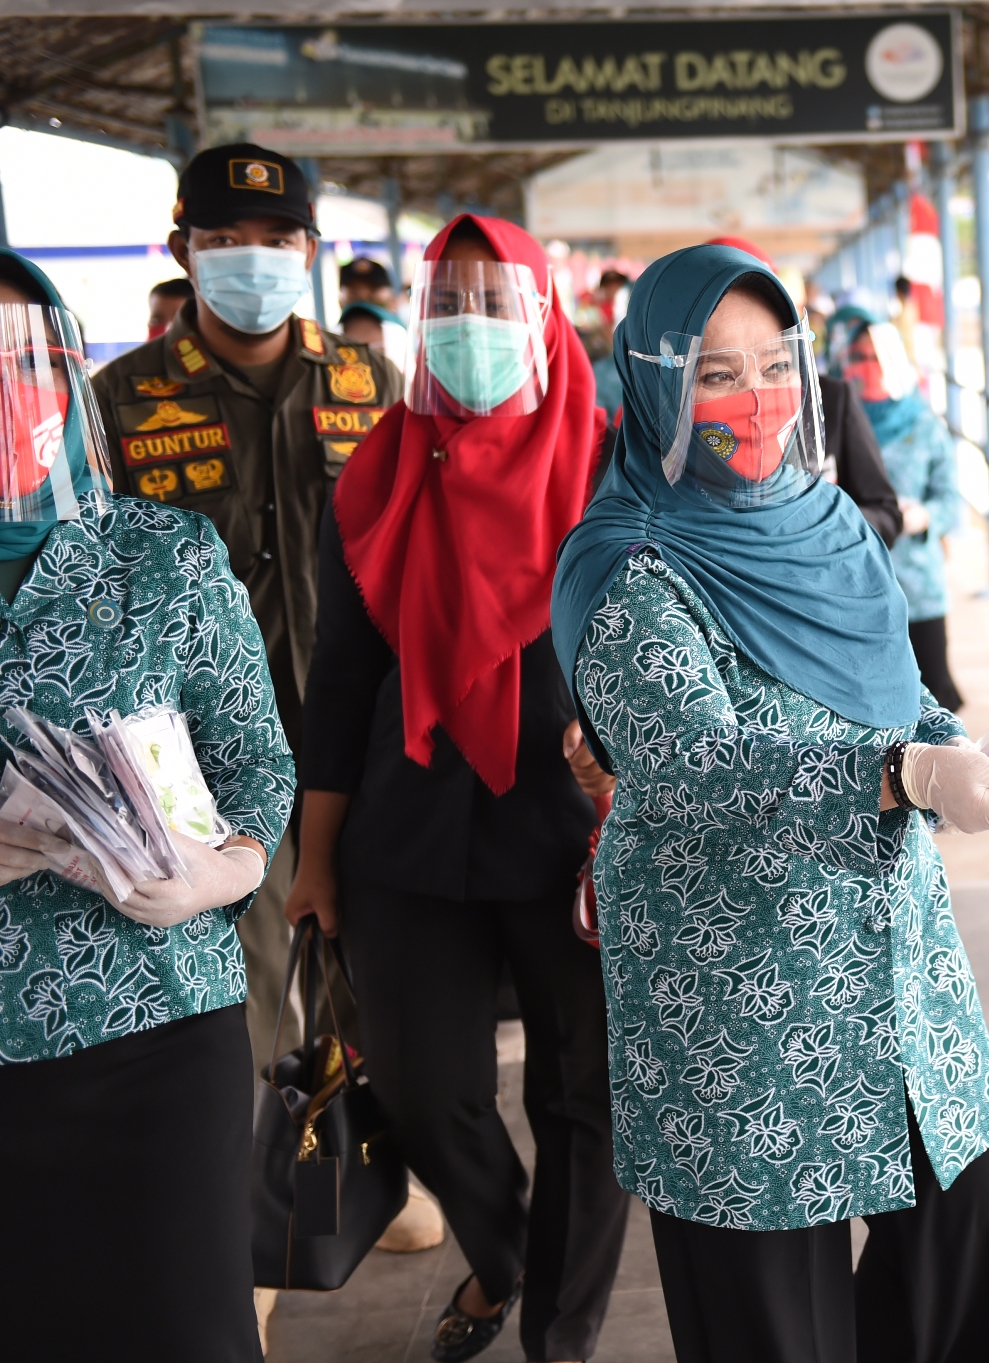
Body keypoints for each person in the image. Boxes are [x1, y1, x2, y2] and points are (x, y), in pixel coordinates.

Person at [552, 244, 989, 1363]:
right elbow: (689, 764)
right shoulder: (628, 564)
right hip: (740, 1001)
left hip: (899, 973)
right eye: (715, 375)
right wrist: (897, 776)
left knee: (970, 1221)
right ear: (652, 385)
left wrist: (962, 750)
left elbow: (896, 689)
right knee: (774, 1323)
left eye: (776, 365)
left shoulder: (828, 523)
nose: (757, 397)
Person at [287, 214, 630, 1363]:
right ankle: (510, 1249)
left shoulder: (611, 470)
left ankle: (559, 1333)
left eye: (495, 303)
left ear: (543, 315)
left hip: (576, 832)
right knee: (423, 1084)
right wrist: (316, 858)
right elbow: (340, 682)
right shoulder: (376, 476)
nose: (468, 326)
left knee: (582, 1097)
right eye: (448, 304)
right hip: (408, 831)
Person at [0, 249, 297, 1362]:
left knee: (186, 1331)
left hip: (157, 1022)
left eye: (23, 363)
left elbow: (256, 760)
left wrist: (224, 870)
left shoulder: (161, 554)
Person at [90, 144, 404, 1071]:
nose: (253, 257)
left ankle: (374, 1148)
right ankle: (270, 1160)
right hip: (204, 749)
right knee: (254, 987)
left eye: (276, 236)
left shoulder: (371, 386)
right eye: (225, 238)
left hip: (360, 732)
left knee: (380, 978)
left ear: (309, 248)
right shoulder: (122, 399)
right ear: (182, 249)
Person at [699, 237, 904, 549]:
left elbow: (885, 512)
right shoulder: (677, 420)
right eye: (719, 375)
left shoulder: (831, 400)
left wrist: (818, 531)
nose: (753, 387)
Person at [827, 304, 964, 710]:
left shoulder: (923, 424)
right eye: (858, 356)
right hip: (855, 583)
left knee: (935, 691)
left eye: (876, 357)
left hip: (917, 582)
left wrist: (921, 517)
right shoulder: (831, 421)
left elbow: (949, 498)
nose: (866, 367)